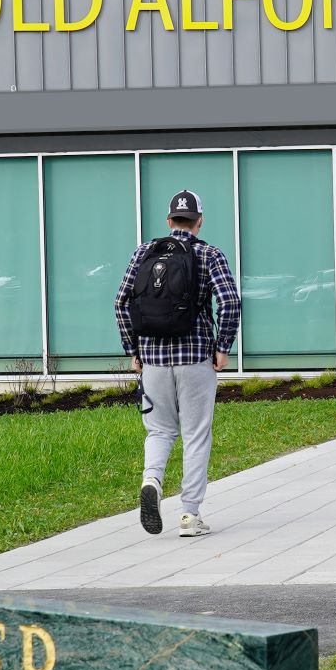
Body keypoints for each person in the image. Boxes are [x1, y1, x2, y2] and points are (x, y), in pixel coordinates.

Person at [116, 189, 241, 536]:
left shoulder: (144, 253)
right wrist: (223, 347)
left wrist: (133, 350)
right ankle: (189, 515)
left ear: (169, 221)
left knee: (160, 430)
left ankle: (152, 481)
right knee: (196, 434)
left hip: (153, 360)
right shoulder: (209, 254)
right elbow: (229, 302)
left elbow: (120, 302)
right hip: (196, 357)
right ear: (199, 221)